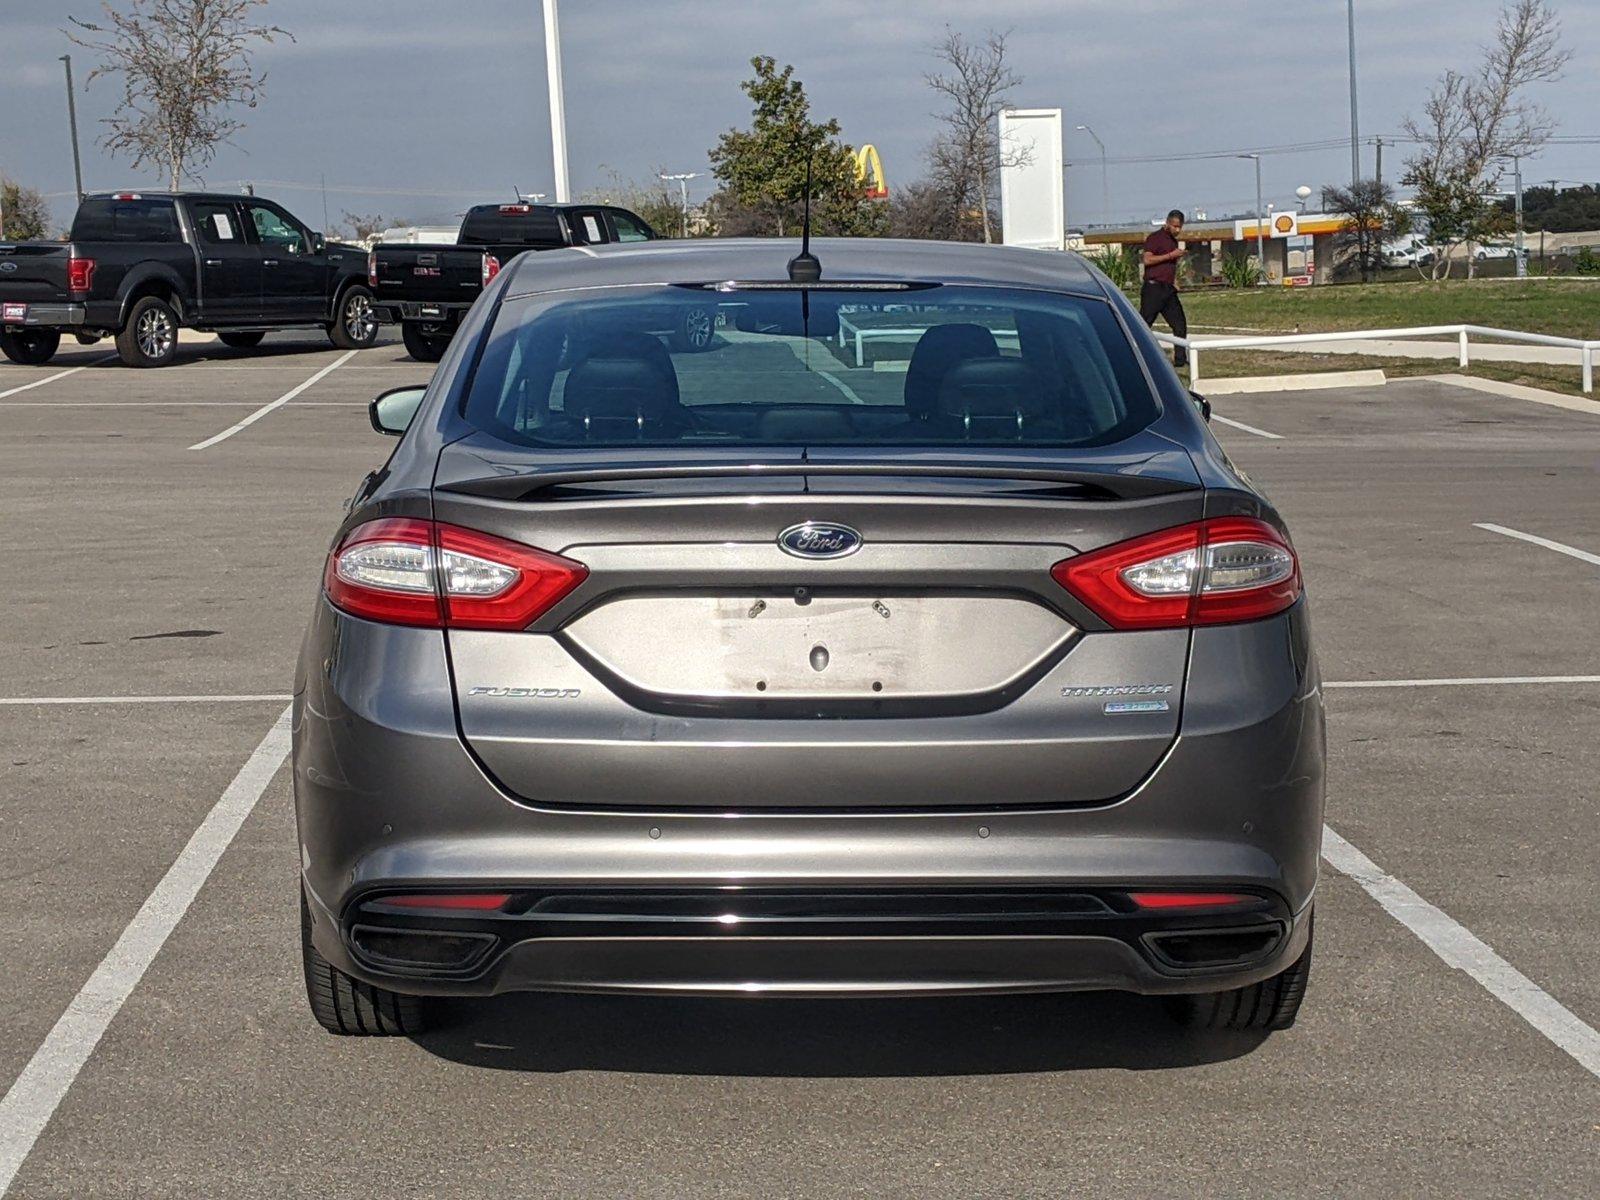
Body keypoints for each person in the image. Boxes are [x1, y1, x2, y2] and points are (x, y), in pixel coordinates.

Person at [1141, 209, 1189, 369]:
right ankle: (1137, 355)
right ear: (1167, 223)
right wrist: (1170, 255)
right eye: (1175, 226)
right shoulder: (1155, 238)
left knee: (1180, 324)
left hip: (1168, 289)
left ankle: (1180, 360)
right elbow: (1147, 260)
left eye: (1180, 227)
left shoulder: (1173, 242)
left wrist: (1174, 281)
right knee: (1144, 324)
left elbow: (1169, 266)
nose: (1177, 230)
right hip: (1153, 288)